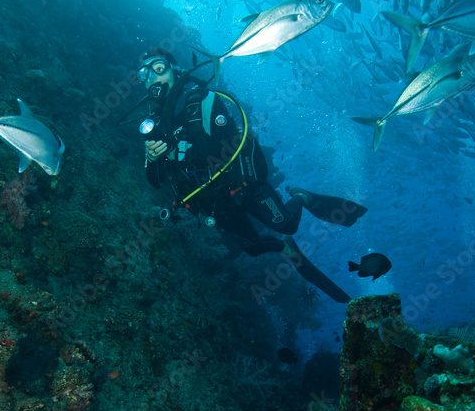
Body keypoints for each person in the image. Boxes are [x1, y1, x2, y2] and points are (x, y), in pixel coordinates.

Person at [138, 50, 367, 303]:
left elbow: (223, 148)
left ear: (176, 70)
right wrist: (154, 158)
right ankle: (285, 247)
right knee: (246, 248)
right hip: (212, 202)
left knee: (287, 224)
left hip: (242, 184)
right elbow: (156, 180)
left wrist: (174, 152)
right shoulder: (153, 124)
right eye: (145, 73)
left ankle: (301, 196)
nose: (152, 78)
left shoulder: (202, 101)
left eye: (159, 68)